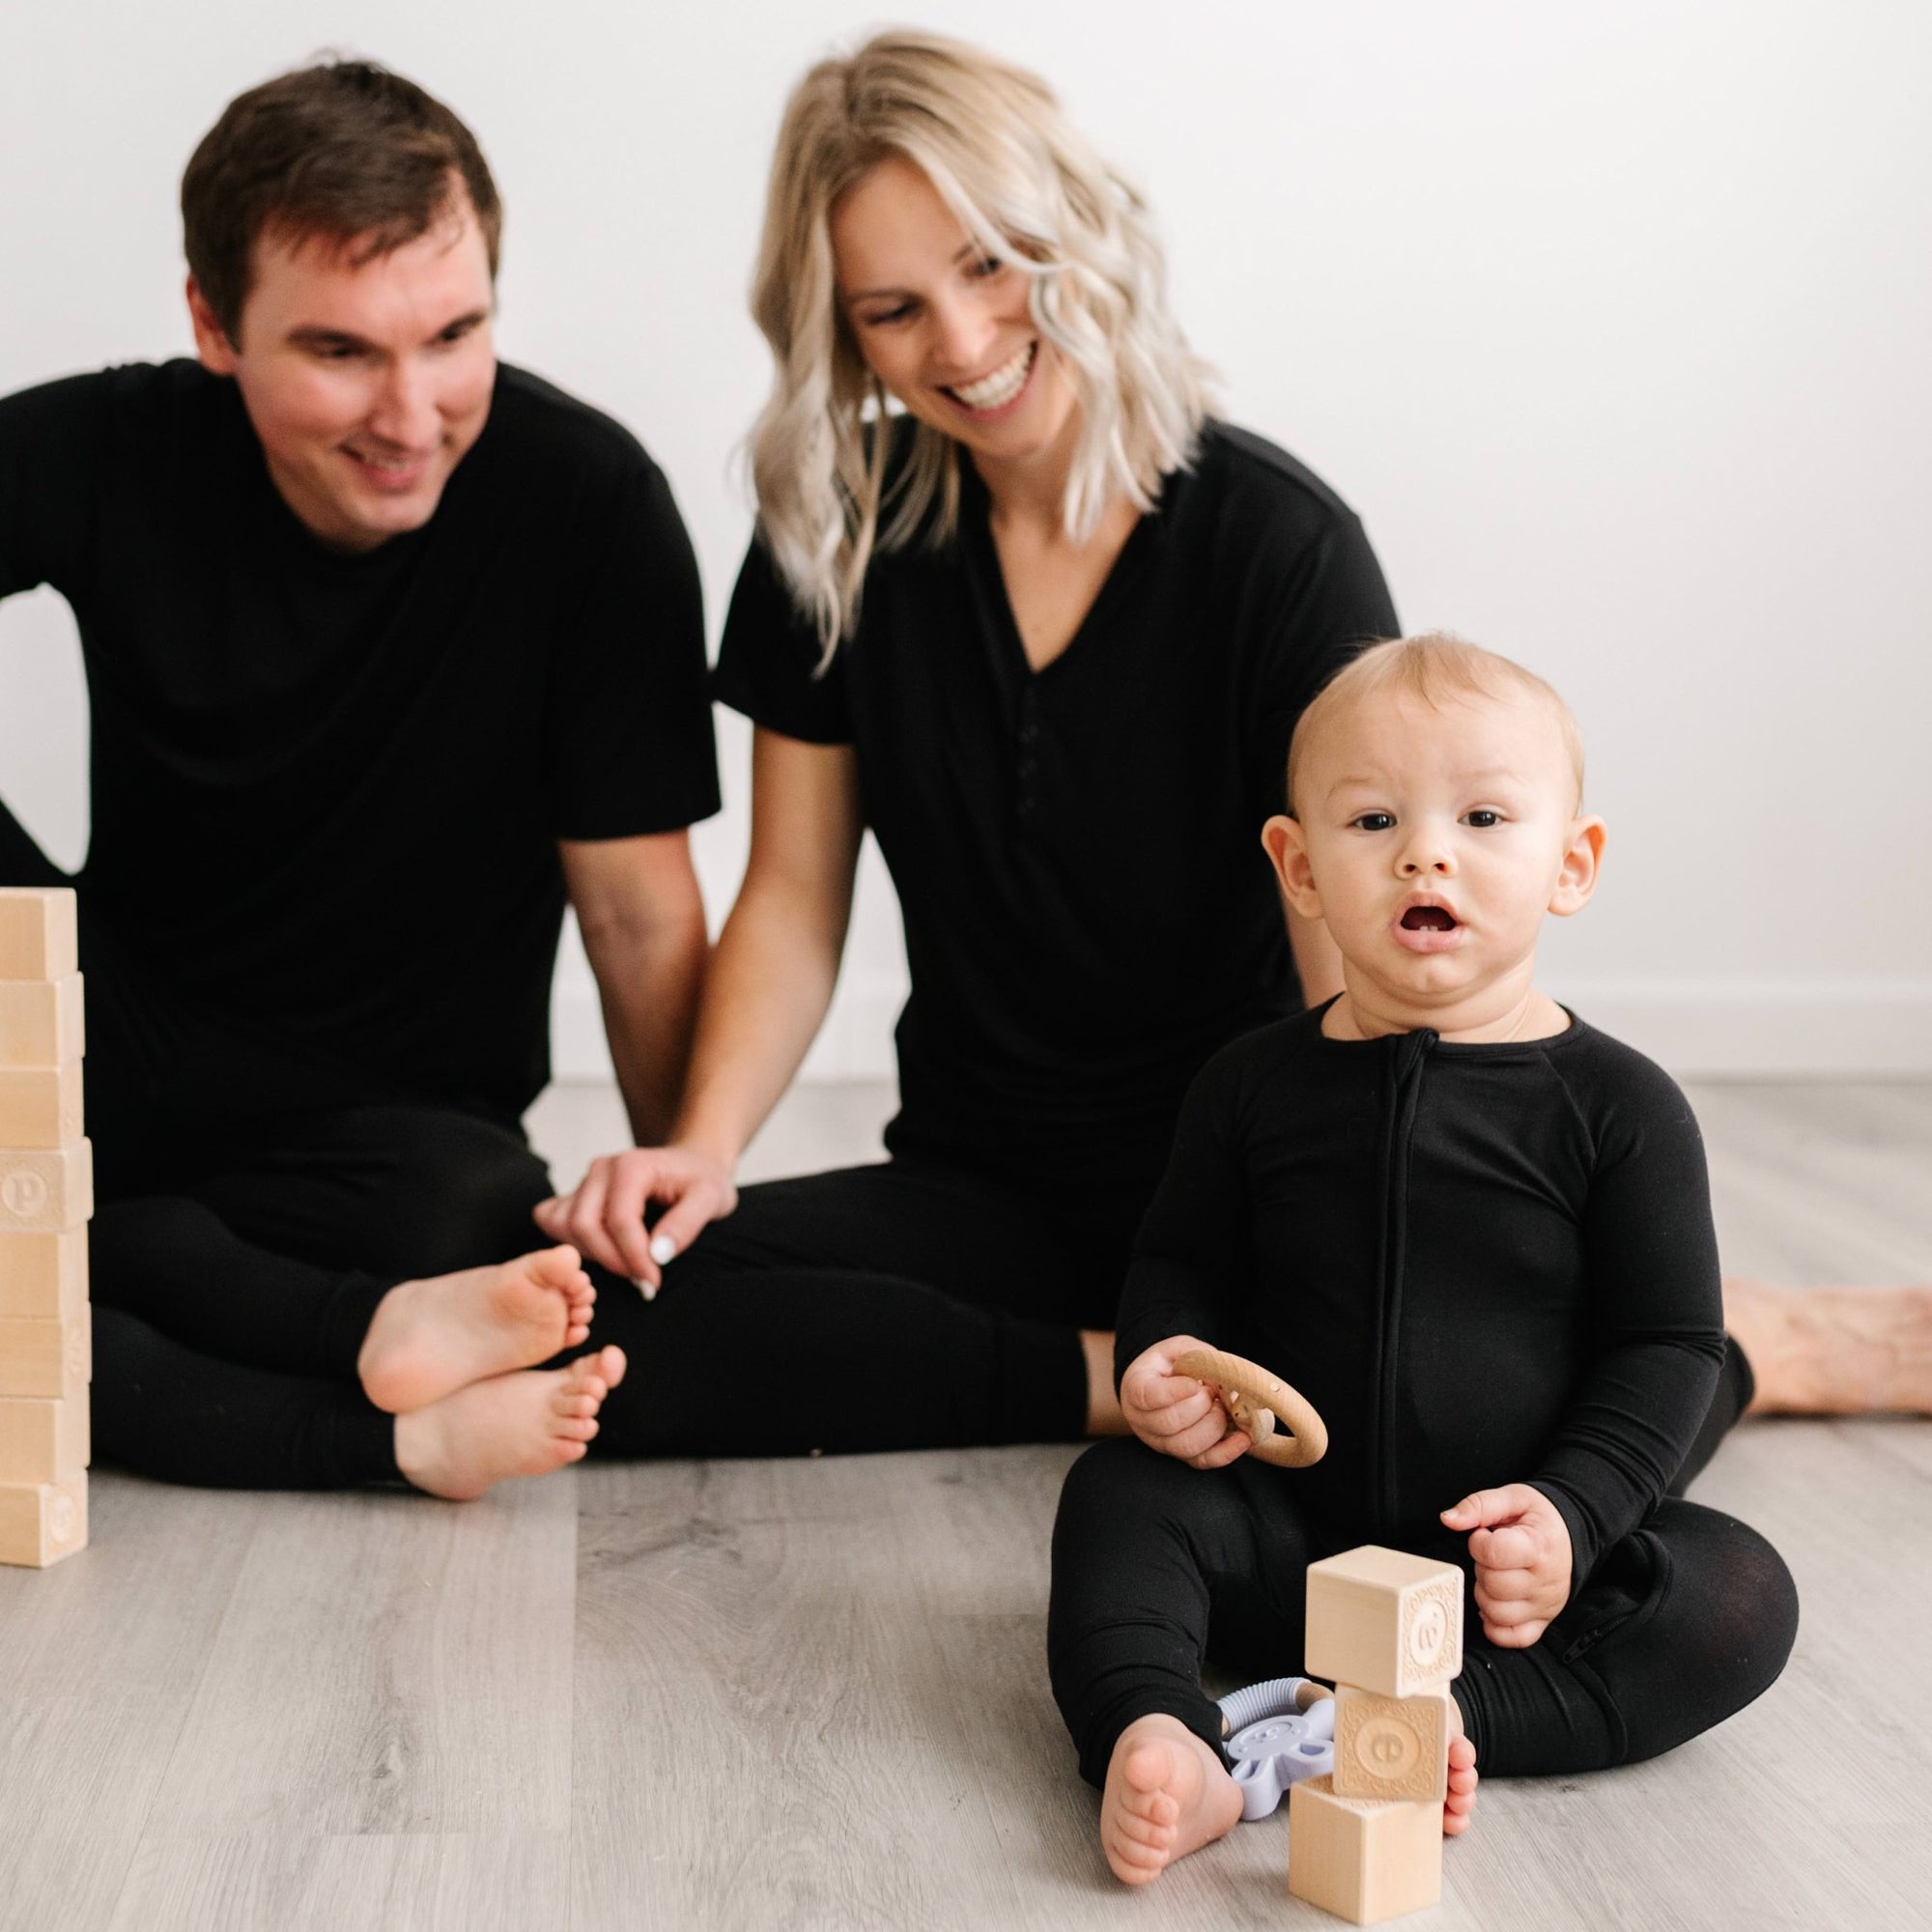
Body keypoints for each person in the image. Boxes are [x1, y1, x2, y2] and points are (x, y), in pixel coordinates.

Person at [537, 30, 1398, 1455]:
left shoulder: (1281, 550)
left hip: (1237, 1200)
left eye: (992, 265)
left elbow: (1350, 977)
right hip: (980, 1194)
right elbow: (793, 900)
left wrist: (1350, 1248)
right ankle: (1119, 1382)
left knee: (1428, 1374)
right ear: (845, 336)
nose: (962, 344)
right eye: (894, 310)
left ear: (1076, 232)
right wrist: (701, 1146)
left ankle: (1732, 1340)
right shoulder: (839, 531)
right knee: (595, 1315)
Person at [0, 60, 715, 1493]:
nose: (409, 413)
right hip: (111, 1047)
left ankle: (126, 1264)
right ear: (214, 324)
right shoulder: (116, 447)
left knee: (467, 1228)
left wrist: (678, 1183)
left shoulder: (590, 505)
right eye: (339, 351)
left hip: (396, 1134)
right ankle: (367, 1401)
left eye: (454, 336)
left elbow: (638, 916)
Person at [1045, 636, 1799, 1884]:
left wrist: (1572, 1516)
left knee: (1736, 1595)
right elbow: (1180, 1262)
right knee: (1117, 1496)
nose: (1425, 854)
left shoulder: (1622, 1109)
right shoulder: (1248, 1087)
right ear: (1299, 868)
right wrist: (1163, 1361)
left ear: (1571, 864)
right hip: (1291, 1547)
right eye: (1374, 820)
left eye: (1483, 818)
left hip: (1500, 1581)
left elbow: (1670, 1345)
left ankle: (1440, 1722)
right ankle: (1161, 1732)